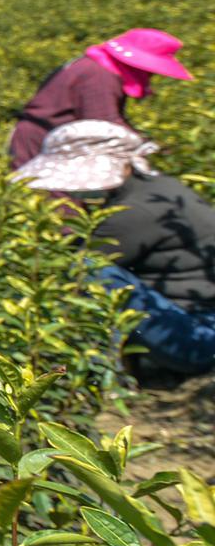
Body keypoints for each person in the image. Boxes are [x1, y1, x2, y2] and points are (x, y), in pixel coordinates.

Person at [13, 120, 215, 375]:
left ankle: (104, 377)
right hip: (195, 324)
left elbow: (69, 266)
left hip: (199, 340)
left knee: (87, 271)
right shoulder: (158, 189)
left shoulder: (134, 211)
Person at [9, 29, 194, 168]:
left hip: (55, 140)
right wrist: (150, 149)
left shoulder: (97, 66)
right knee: (59, 209)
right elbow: (104, 125)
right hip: (42, 142)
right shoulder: (99, 75)